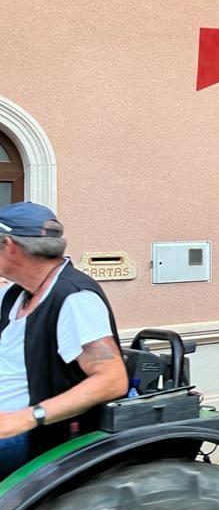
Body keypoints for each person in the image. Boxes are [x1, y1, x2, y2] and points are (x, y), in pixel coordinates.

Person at [0, 202, 128, 477]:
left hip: (31, 434)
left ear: (9, 245)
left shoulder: (74, 298)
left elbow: (112, 380)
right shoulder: (16, 295)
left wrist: (26, 418)